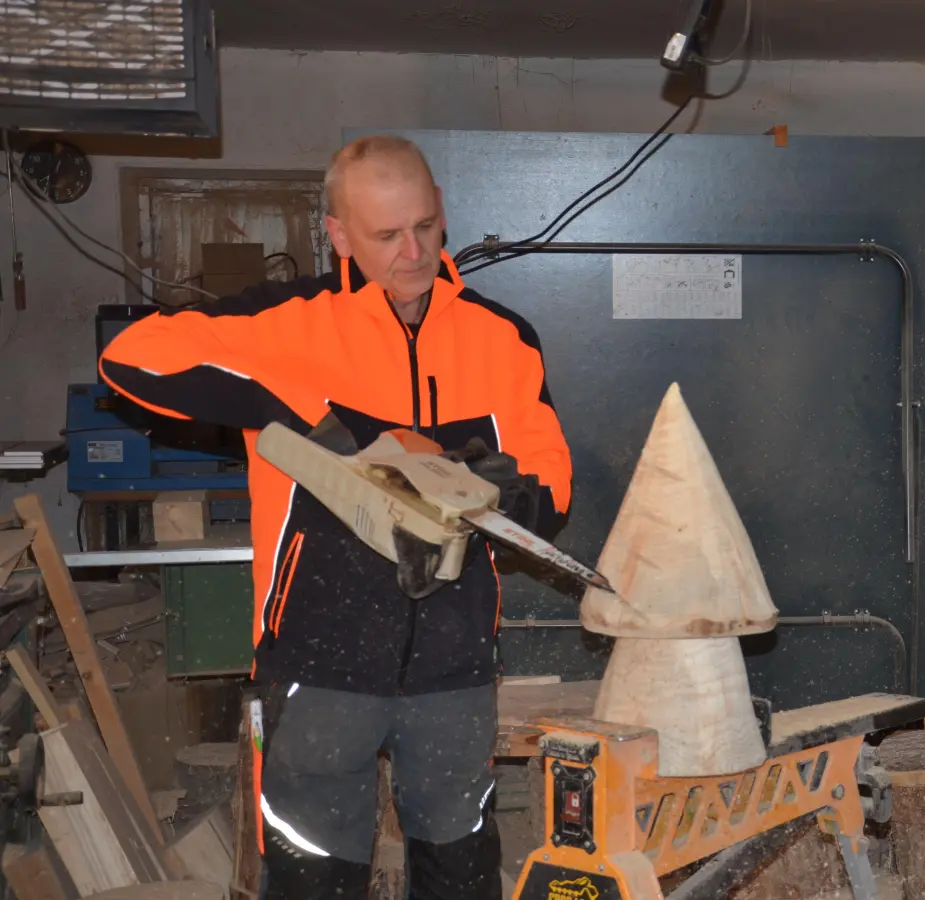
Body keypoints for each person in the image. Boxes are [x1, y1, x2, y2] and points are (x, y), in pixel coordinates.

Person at [99, 135, 572, 898]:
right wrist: (289, 406)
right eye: (387, 235)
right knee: (316, 876)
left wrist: (507, 492)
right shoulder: (288, 323)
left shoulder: (503, 339)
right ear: (340, 234)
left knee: (459, 869)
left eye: (425, 225)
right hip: (319, 665)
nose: (413, 251)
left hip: (453, 665)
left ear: (442, 212)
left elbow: (552, 482)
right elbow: (131, 355)